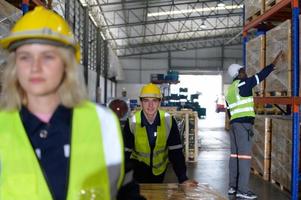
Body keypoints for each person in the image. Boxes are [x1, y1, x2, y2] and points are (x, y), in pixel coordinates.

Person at [0, 6, 144, 200]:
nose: (35, 67)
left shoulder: (103, 123)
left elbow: (125, 191)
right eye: (25, 57)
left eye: (48, 56)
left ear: (66, 64)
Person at [225, 51, 283, 199]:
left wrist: (235, 122)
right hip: (243, 125)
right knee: (244, 158)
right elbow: (261, 75)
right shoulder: (243, 84)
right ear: (238, 73)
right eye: (243, 70)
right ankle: (243, 190)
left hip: (234, 126)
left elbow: (229, 111)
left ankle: (233, 187)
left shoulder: (230, 90)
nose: (245, 72)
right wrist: (273, 64)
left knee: (234, 156)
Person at [123, 83, 198, 186]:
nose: (150, 105)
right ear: (141, 102)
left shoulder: (168, 121)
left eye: (154, 101)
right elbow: (125, 154)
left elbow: (175, 152)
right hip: (137, 172)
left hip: (159, 172)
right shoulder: (132, 122)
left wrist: (183, 178)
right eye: (146, 101)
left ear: (159, 102)